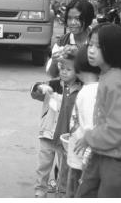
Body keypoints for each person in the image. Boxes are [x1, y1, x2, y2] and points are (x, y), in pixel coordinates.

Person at [74, 23, 121, 198]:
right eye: (90, 44)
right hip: (105, 152)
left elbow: (117, 127)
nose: (91, 50)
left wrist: (89, 138)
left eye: (98, 46)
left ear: (113, 50)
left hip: (120, 160)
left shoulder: (116, 83)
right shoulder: (111, 76)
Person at [31, 46, 82, 198]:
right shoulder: (53, 85)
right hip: (48, 134)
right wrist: (41, 87)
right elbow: (34, 91)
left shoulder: (81, 90)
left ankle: (62, 194)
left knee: (65, 170)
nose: (64, 72)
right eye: (62, 68)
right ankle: (40, 192)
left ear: (78, 72)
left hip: (66, 138)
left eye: (69, 69)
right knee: (43, 167)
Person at [65, 46, 100, 198]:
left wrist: (86, 157)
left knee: (76, 192)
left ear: (78, 68)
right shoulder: (94, 88)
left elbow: (90, 127)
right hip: (83, 156)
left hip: (82, 159)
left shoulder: (88, 92)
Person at [46, 0, 95, 78]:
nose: (72, 23)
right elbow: (52, 74)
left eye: (77, 19)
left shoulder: (98, 39)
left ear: (88, 19)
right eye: (69, 18)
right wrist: (54, 62)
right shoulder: (62, 42)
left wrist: (78, 55)